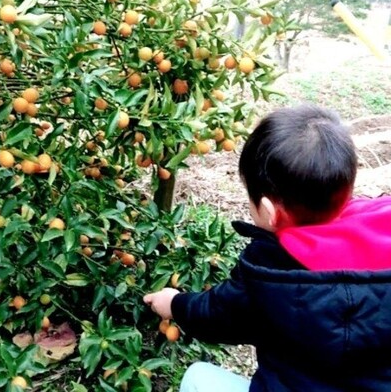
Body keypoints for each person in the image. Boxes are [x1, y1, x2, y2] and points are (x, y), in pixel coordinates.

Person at [143, 104, 391, 392]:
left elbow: (217, 314)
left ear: (268, 211)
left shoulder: (269, 271)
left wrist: (174, 304)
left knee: (197, 377)